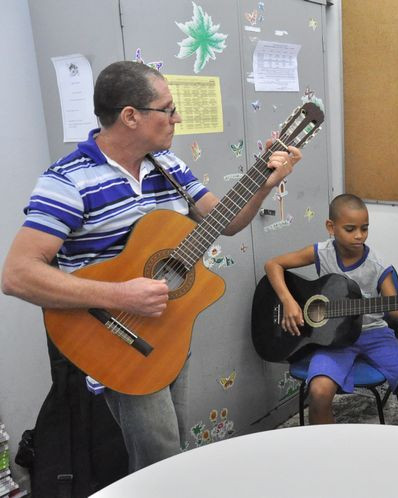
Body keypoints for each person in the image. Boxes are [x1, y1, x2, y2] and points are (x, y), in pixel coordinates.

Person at [1, 61, 301, 472]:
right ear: (130, 116)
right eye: (168, 109)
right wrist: (121, 294)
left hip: (167, 328)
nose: (176, 118)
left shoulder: (168, 166)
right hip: (116, 336)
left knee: (169, 445)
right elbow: (17, 275)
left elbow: (226, 221)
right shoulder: (68, 182)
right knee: (160, 458)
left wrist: (263, 181)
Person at [264, 194, 398, 428]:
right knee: (319, 392)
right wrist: (288, 301)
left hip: (374, 334)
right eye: (350, 229)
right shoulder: (320, 252)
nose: (359, 235)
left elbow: (394, 310)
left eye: (365, 229)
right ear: (330, 227)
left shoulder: (377, 265)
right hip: (331, 339)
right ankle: (328, 455)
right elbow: (273, 264)